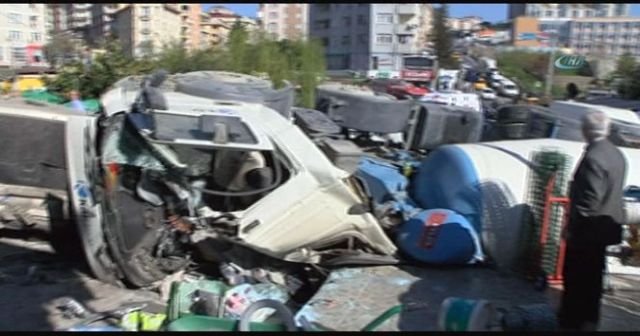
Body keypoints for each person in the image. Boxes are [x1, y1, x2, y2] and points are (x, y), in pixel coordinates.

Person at [557, 110, 627, 331]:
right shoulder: (616, 154)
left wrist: (571, 228)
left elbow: (589, 201)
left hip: (587, 232)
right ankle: (590, 320)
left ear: (586, 130)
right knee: (594, 278)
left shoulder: (593, 158)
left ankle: (573, 321)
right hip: (606, 229)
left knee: (577, 279)